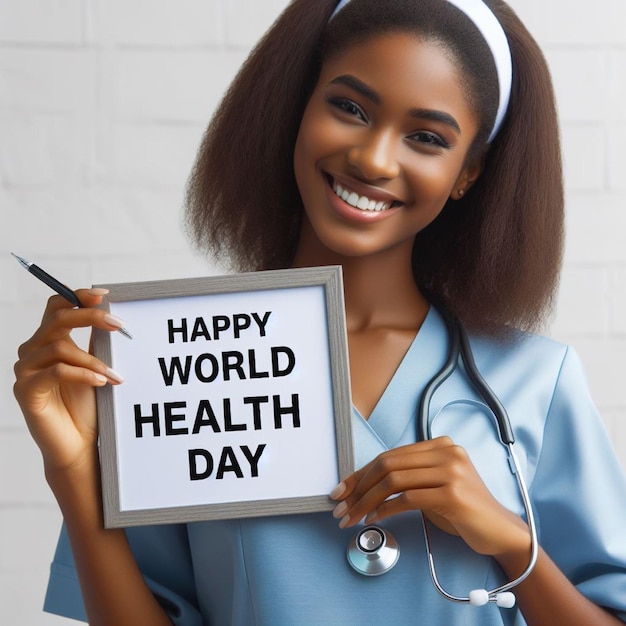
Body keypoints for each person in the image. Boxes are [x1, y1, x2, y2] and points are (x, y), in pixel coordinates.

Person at [13, 0, 626, 624]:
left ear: (467, 172)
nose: (374, 159)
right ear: (298, 109)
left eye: (426, 137)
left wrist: (510, 542)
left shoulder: (537, 381)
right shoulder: (169, 361)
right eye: (350, 108)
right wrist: (73, 469)